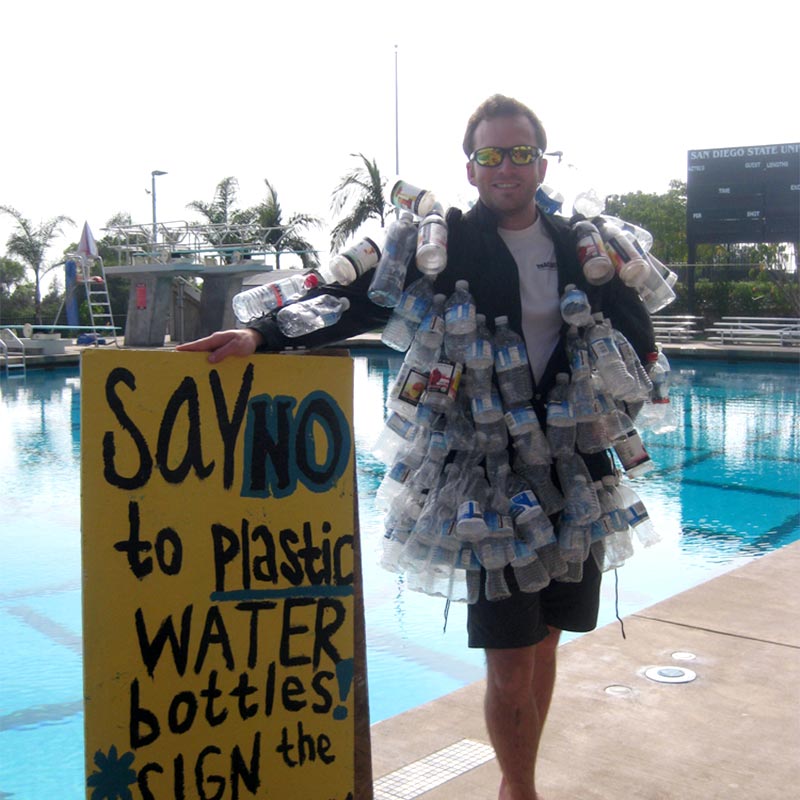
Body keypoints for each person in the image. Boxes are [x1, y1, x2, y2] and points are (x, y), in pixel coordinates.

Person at [178, 94, 655, 800]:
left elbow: (631, 325)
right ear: (471, 168)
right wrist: (265, 334)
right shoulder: (449, 241)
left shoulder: (576, 244)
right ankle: (517, 788)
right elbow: (362, 298)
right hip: (488, 480)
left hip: (575, 469)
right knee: (510, 663)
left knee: (548, 638)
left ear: (540, 162)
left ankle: (519, 778)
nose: (506, 167)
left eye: (520, 153)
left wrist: (640, 367)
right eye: (491, 155)